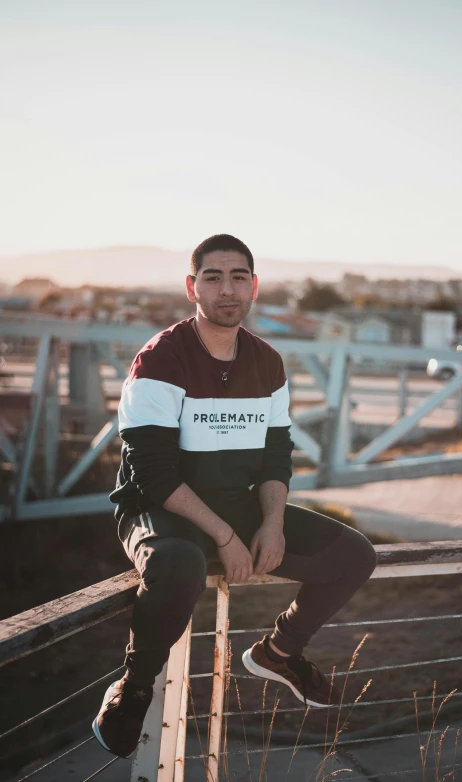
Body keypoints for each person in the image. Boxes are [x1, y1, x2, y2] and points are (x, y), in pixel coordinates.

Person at [92, 234, 377, 758]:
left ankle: (278, 652)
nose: (227, 289)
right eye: (213, 277)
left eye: (238, 277)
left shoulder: (267, 362)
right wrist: (224, 535)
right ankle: (132, 688)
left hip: (240, 506)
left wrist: (271, 523)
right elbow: (152, 474)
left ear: (254, 287)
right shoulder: (160, 359)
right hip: (159, 510)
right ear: (191, 287)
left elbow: (275, 458)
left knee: (353, 555)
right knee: (179, 564)